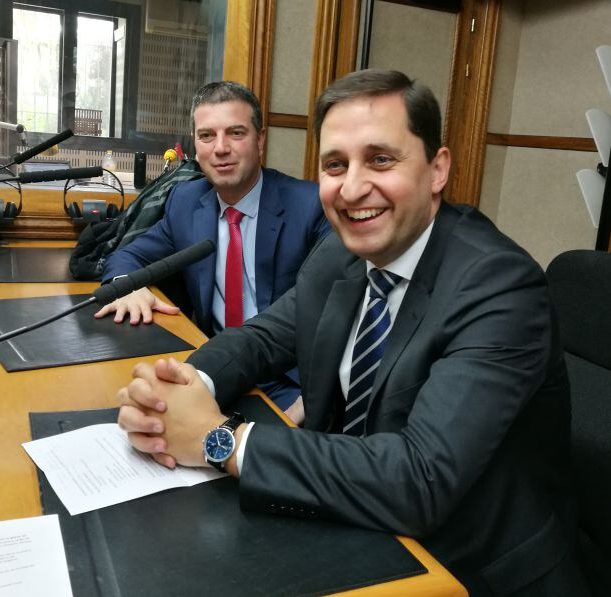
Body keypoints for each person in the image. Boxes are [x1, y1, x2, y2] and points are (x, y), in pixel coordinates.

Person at [115, 70, 589, 596]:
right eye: (335, 165)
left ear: (437, 170)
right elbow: (265, 336)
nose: (353, 187)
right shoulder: (342, 251)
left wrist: (217, 439)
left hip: (468, 566)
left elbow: (419, 480)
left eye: (381, 160)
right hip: (355, 521)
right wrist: (185, 386)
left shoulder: (500, 285)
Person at [96, 81, 330, 413]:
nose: (220, 148)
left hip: (284, 383)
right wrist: (125, 286)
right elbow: (129, 254)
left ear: (260, 139)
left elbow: (337, 311)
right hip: (213, 368)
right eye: (207, 136)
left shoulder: (309, 206)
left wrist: (309, 403)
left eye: (236, 133)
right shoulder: (187, 202)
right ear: (195, 144)